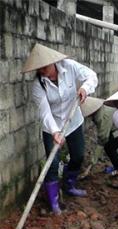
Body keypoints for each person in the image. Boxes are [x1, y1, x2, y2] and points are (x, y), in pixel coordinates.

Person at [22, 43, 98, 214]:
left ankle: (70, 185)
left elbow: (91, 76)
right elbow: (45, 112)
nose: (42, 71)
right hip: (52, 126)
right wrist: (55, 131)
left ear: (53, 62)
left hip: (73, 121)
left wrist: (85, 88)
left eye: (45, 67)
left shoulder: (70, 67)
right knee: (53, 163)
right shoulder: (38, 86)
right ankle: (54, 202)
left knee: (78, 155)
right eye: (39, 69)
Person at [80, 97, 118, 188]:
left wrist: (91, 164)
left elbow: (102, 139)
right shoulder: (102, 110)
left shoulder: (103, 117)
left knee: (109, 146)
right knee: (109, 145)